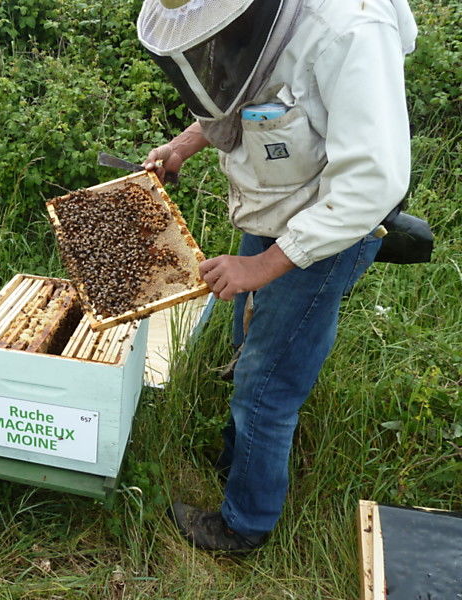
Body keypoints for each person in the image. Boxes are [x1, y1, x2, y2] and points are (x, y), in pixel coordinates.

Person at [137, 0, 417, 552]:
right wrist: (184, 145)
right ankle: (241, 456)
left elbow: (371, 184)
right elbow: (243, 85)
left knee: (267, 381)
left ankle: (244, 523)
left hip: (327, 232)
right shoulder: (251, 17)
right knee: (249, 343)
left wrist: (262, 266)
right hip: (277, 201)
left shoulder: (349, 28)